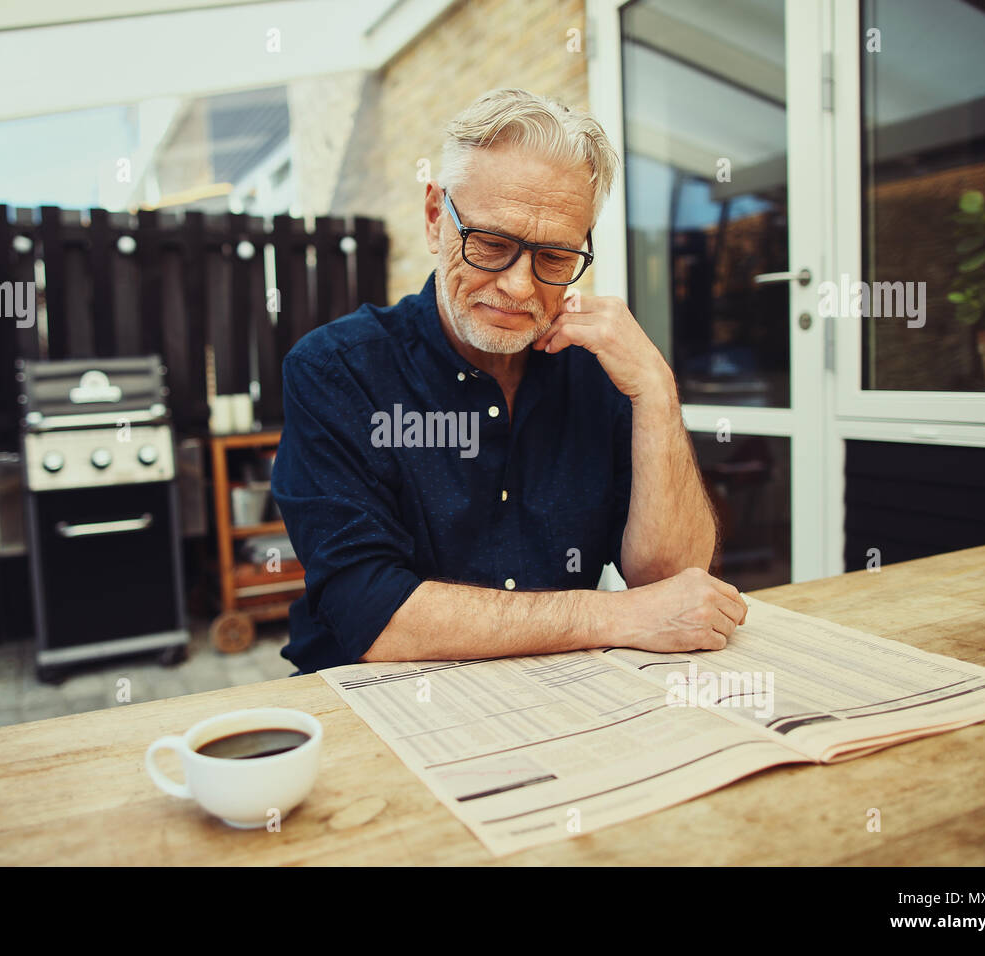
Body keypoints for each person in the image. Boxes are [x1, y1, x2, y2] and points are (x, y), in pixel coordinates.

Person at [271, 88, 747, 674]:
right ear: (433, 218)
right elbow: (371, 613)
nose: (520, 287)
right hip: (372, 705)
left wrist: (655, 390)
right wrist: (615, 617)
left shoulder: (603, 369)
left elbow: (672, 584)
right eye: (492, 244)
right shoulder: (336, 371)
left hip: (560, 686)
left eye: (553, 257)